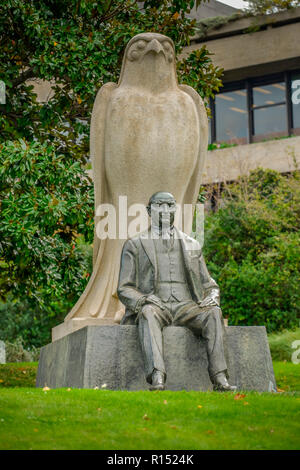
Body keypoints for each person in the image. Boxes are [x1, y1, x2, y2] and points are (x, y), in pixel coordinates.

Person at [117, 191, 237, 392]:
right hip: (157, 305)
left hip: (186, 306)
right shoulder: (135, 244)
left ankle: (219, 377)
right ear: (149, 210)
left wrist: (213, 297)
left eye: (170, 205)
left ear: (175, 209)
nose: (165, 210)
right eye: (159, 205)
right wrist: (144, 299)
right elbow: (124, 288)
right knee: (147, 313)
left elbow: (209, 284)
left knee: (213, 313)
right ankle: (157, 375)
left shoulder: (192, 244)